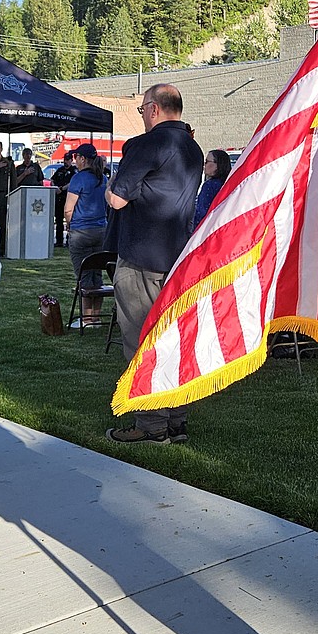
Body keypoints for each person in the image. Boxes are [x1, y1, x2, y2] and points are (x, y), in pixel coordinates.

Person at [105, 84, 203, 446]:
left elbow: (116, 198)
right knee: (174, 342)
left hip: (141, 257)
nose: (141, 114)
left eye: (141, 108)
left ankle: (150, 424)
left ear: (154, 109)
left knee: (140, 342)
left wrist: (113, 187)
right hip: (176, 256)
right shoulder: (193, 148)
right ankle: (176, 420)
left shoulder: (149, 143)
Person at [64, 145, 109, 327]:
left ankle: (86, 319)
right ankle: (95, 318)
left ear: (82, 159)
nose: (74, 159)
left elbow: (69, 208)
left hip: (81, 232)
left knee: (84, 276)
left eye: (76, 156)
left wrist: (69, 224)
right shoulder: (103, 178)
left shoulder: (78, 179)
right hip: (101, 231)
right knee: (96, 275)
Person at [194, 149, 231, 227]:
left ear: (217, 165)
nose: (204, 165)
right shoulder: (228, 184)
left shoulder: (210, 186)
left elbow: (201, 213)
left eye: (207, 162)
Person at [52, 150, 76, 246]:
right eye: (64, 160)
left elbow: (73, 183)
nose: (65, 162)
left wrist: (62, 188)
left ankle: (69, 241)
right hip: (59, 198)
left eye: (67, 160)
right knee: (58, 220)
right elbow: (52, 179)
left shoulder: (74, 171)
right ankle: (59, 241)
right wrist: (55, 187)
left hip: (68, 198)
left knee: (69, 221)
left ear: (71, 160)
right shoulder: (60, 170)